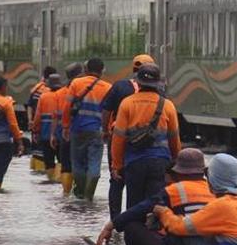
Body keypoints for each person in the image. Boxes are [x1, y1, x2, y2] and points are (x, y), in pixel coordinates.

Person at [77, 148, 214, 245]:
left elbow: (140, 209)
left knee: (132, 226)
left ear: (178, 172)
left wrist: (111, 225)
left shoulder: (174, 190)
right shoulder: (214, 192)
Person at [110, 62, 179, 217]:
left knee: (134, 206)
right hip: (160, 164)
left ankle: (133, 237)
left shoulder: (127, 103)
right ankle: (153, 237)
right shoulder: (167, 106)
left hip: (134, 163)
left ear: (138, 82)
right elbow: (174, 138)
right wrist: (176, 162)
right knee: (156, 205)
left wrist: (117, 165)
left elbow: (118, 138)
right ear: (157, 83)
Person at [102, 54, 155, 218]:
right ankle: (138, 222)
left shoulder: (119, 87)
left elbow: (106, 110)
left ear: (133, 69)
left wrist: (105, 131)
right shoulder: (159, 92)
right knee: (140, 184)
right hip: (146, 143)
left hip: (118, 138)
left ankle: (116, 221)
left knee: (116, 180)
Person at [59, 58, 112, 201]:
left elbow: (67, 107)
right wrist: (107, 130)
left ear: (86, 69)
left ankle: (80, 194)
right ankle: (89, 197)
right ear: (102, 71)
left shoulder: (76, 83)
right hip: (97, 131)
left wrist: (65, 126)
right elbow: (110, 112)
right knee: (94, 162)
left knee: (77, 163)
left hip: (77, 129)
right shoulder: (107, 87)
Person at [52, 63, 83, 196]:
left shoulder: (59, 93)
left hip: (63, 134)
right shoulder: (82, 89)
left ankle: (65, 193)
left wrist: (53, 135)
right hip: (79, 132)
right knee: (80, 164)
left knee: (65, 165)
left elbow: (55, 116)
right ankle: (80, 193)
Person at [32, 73, 64, 182]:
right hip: (62, 134)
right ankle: (61, 182)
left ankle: (51, 182)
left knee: (49, 161)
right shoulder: (64, 95)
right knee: (62, 160)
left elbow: (37, 117)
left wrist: (35, 131)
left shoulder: (43, 97)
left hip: (45, 135)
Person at [25, 66, 57, 172]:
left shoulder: (36, 89)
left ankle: (41, 176)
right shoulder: (51, 92)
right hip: (49, 129)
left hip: (37, 127)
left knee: (37, 154)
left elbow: (29, 106)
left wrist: (30, 121)